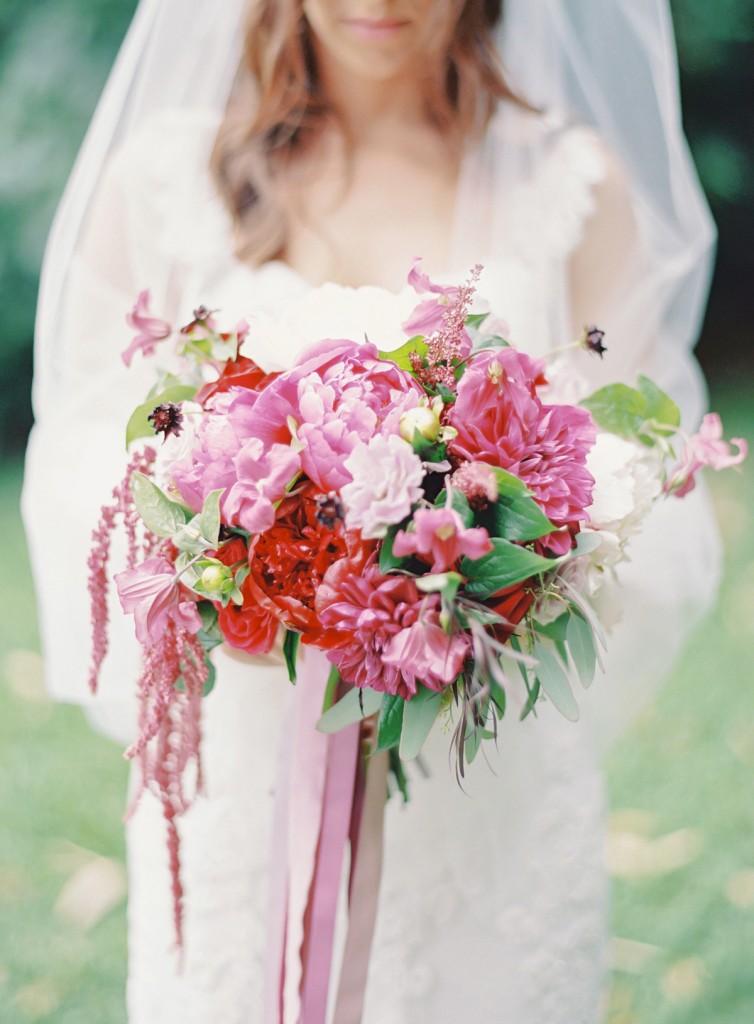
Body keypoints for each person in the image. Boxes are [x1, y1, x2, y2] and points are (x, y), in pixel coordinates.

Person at [22, 1, 722, 1021]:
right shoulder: (165, 181)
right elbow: (84, 448)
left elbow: (647, 479)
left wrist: (513, 575)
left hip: (488, 790)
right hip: (245, 790)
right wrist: (232, 579)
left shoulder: (573, 187)